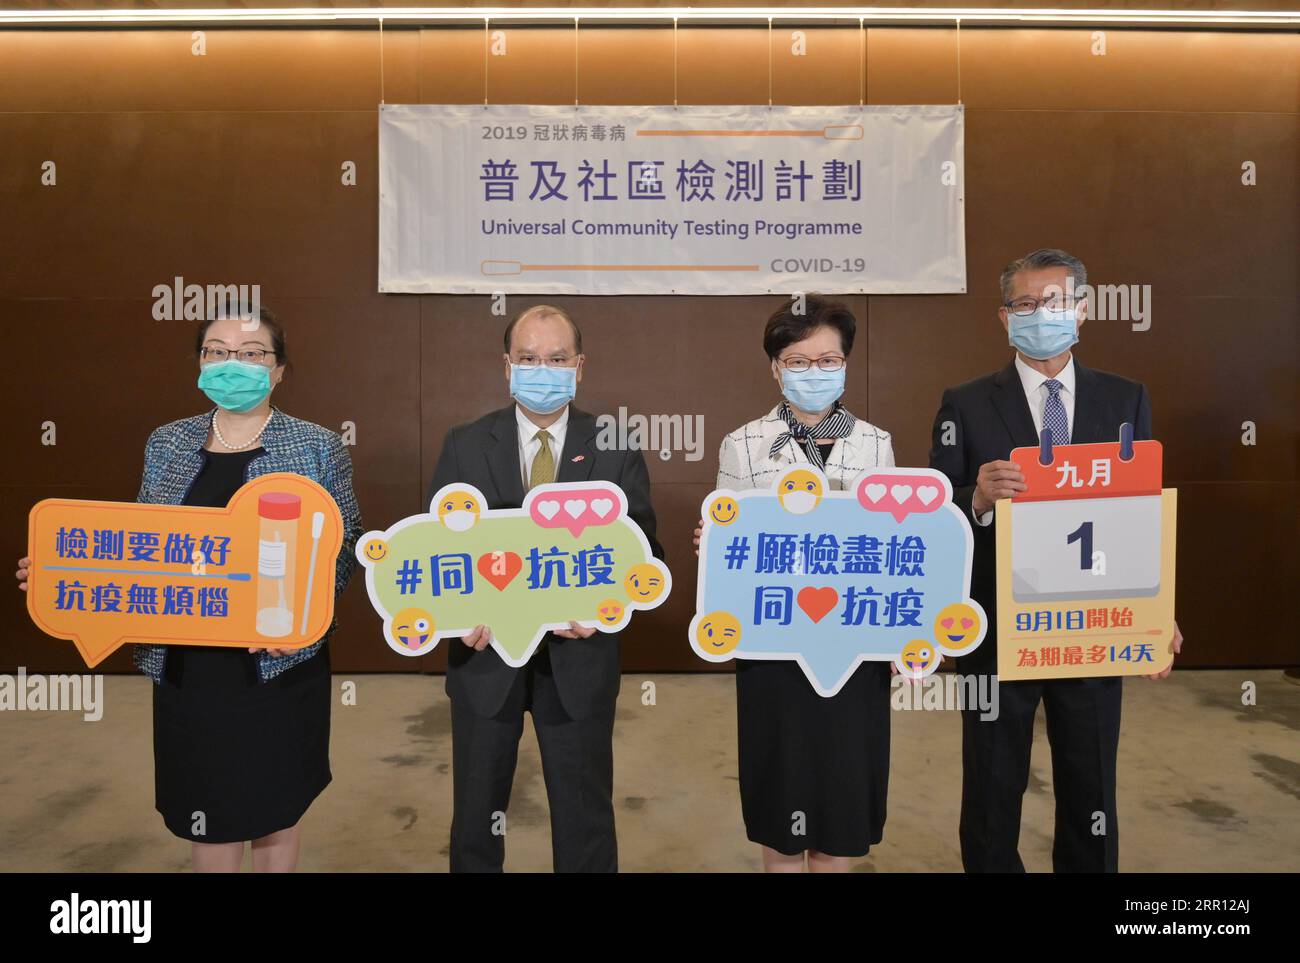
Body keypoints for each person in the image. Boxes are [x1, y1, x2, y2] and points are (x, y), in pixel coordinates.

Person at [16, 306, 363, 872]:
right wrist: (61, 571)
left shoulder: (317, 445)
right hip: (189, 661)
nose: (234, 364)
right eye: (217, 351)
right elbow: (135, 545)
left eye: (252, 354)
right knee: (208, 808)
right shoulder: (168, 443)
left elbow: (344, 545)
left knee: (276, 808)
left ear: (278, 371)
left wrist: (299, 627)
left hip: (275, 663)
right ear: (200, 363)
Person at [928, 248, 1183, 873]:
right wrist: (978, 499)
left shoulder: (1125, 399)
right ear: (1002, 317)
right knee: (992, 782)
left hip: (1093, 623)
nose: (1042, 314)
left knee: (1090, 780)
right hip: (996, 622)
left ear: (1083, 310)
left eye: (1056, 301)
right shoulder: (963, 403)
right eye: (1025, 304)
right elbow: (934, 514)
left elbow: (1140, 511)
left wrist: (1157, 613)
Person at [427, 304, 662, 873]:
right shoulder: (464, 442)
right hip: (485, 659)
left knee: (584, 818)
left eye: (556, 358)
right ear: (506, 365)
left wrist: (604, 613)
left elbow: (645, 556)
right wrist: (453, 613)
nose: (542, 369)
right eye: (528, 358)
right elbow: (435, 552)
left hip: (577, 657)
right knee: (477, 817)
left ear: (579, 366)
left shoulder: (615, 444)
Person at [694, 294, 896, 873]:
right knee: (782, 815)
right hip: (774, 648)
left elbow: (892, 546)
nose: (815, 372)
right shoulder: (744, 444)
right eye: (799, 361)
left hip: (853, 649)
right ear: (775, 368)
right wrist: (714, 550)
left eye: (828, 360)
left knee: (838, 812)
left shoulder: (875, 444)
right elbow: (727, 545)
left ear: (846, 364)